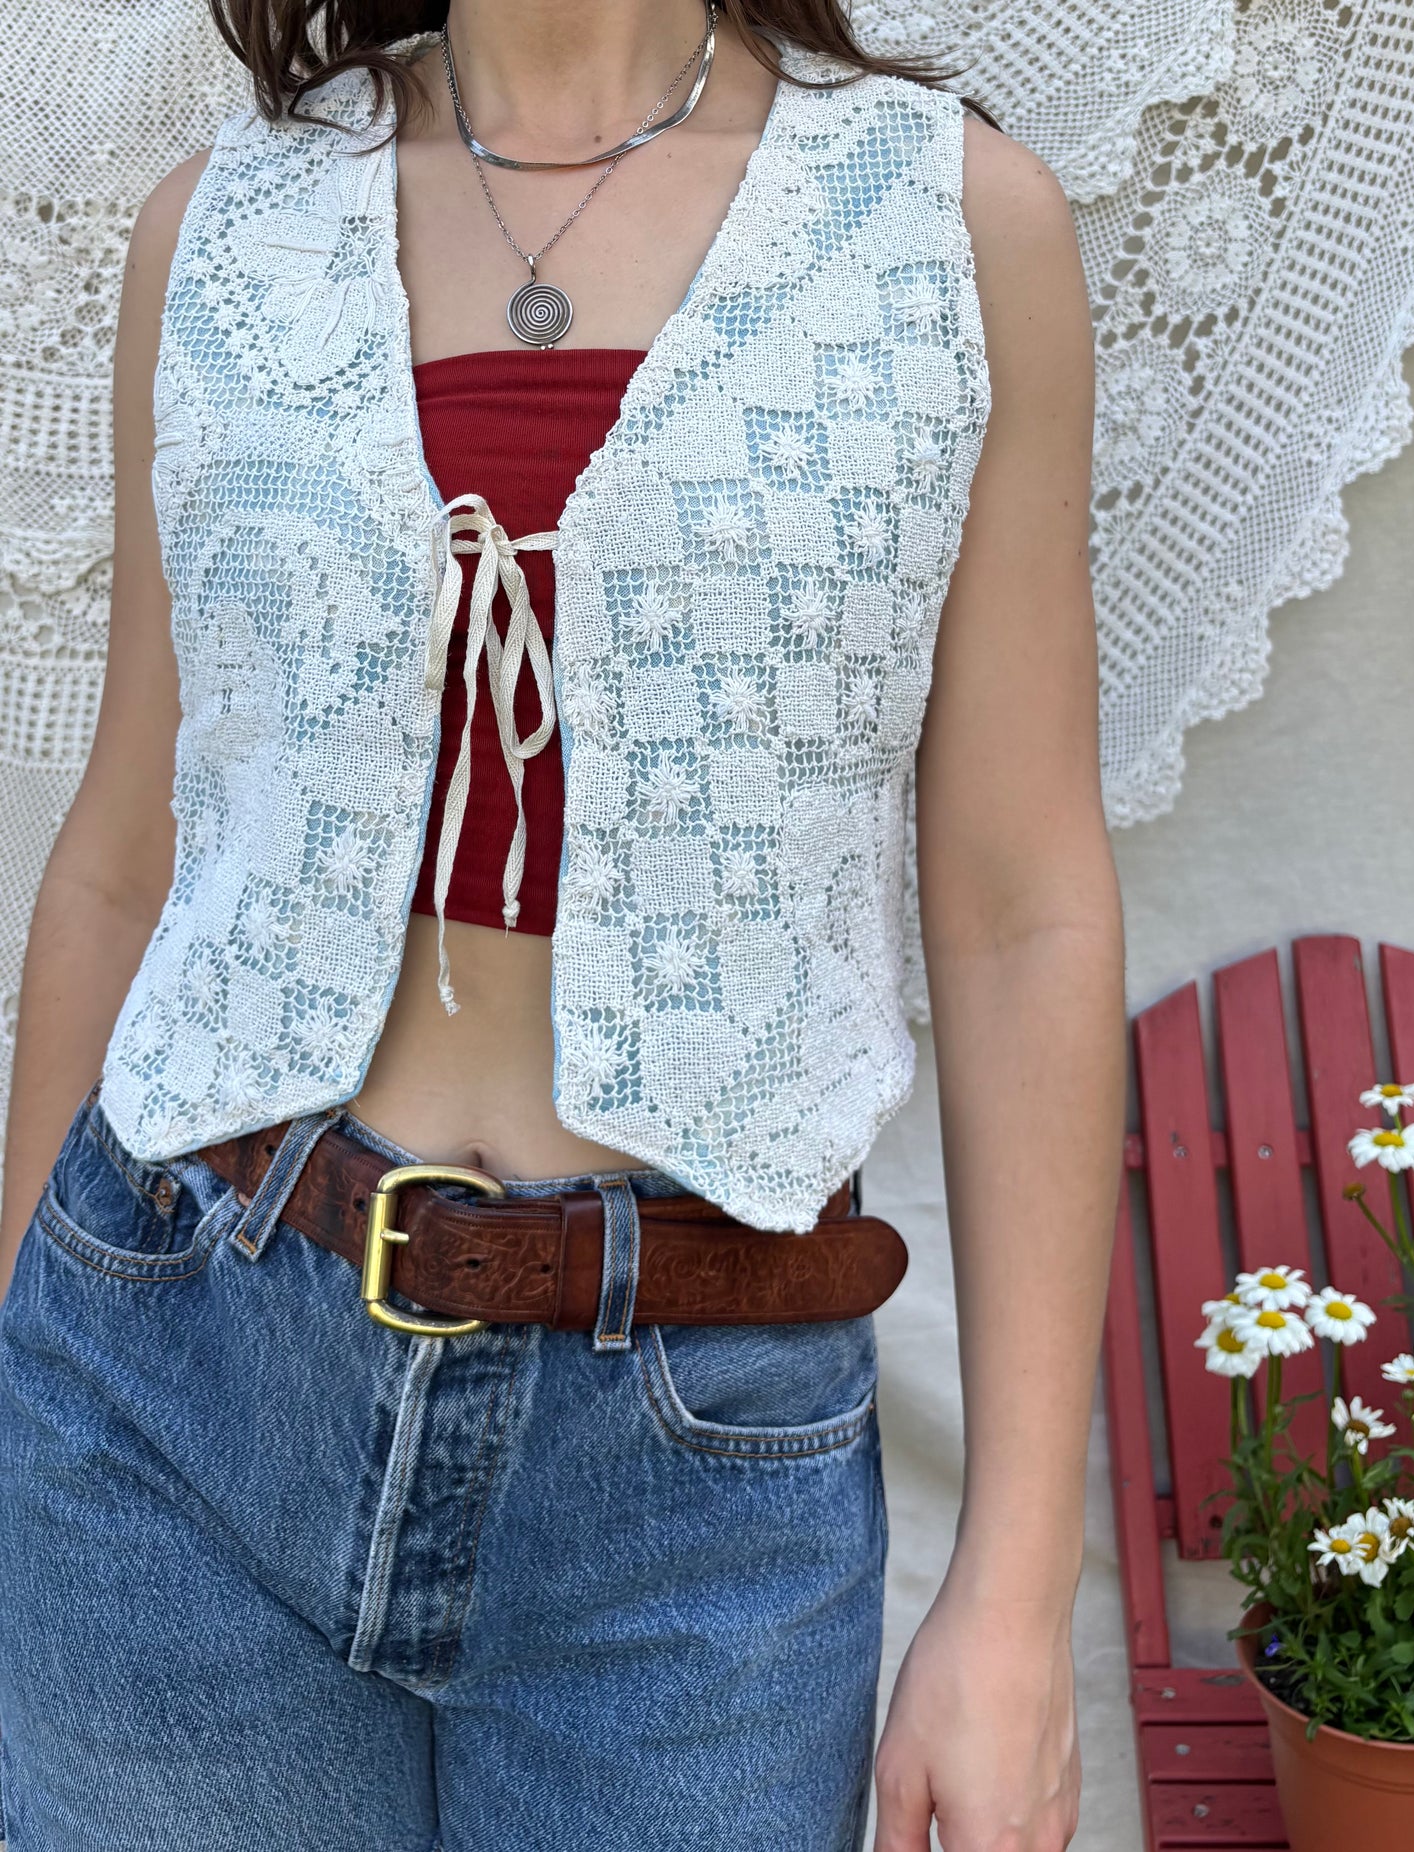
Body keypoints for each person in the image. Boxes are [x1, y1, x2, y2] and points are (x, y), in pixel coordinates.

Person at [0, 2, 1124, 1847]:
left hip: (693, 1474)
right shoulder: (219, 225)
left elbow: (1020, 916)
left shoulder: (950, 225)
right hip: (170, 1395)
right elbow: (127, 854)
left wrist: (1014, 1589)